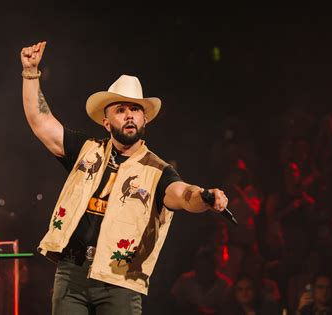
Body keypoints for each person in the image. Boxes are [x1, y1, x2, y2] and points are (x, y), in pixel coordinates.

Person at [20, 41, 229, 315]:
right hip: (72, 272)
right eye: (120, 110)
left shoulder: (157, 170)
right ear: (106, 121)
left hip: (120, 280)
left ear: (145, 120)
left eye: (135, 110)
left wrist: (204, 196)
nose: (129, 115)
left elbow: (181, 194)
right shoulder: (86, 149)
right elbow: (41, 122)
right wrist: (31, 72)